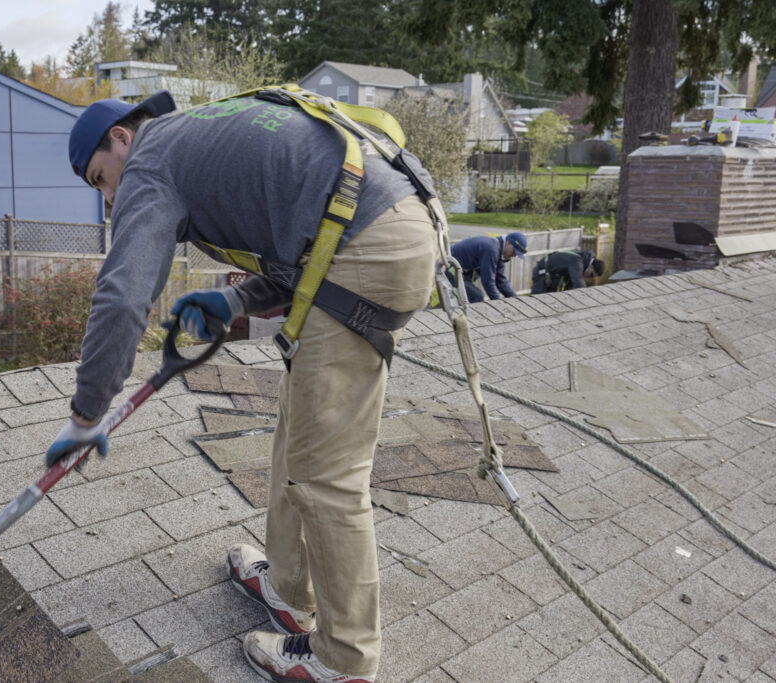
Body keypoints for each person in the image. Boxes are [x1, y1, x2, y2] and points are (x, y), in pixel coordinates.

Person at [43, 89, 440, 683]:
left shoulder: (151, 160)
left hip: (367, 243)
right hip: (384, 223)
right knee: (302, 433)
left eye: (103, 179)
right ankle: (286, 584)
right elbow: (300, 227)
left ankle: (345, 658)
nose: (110, 198)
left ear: (123, 136)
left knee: (326, 474)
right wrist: (233, 300)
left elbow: (123, 297)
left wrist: (85, 416)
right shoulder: (200, 130)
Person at [446, 232, 526, 302]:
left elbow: (501, 281)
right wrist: (498, 304)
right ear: (508, 243)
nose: (514, 255)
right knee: (477, 296)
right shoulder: (491, 249)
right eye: (514, 251)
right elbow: (488, 282)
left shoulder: (498, 250)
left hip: (459, 273)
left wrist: (516, 300)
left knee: (461, 300)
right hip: (449, 270)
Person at [530, 249, 605, 293]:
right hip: (541, 274)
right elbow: (578, 283)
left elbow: (570, 287)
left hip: (551, 277)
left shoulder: (580, 263)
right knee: (537, 301)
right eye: (591, 275)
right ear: (591, 266)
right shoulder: (577, 262)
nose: (589, 278)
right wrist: (587, 297)